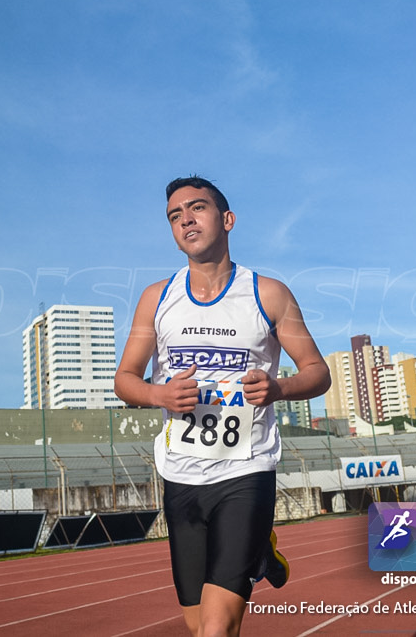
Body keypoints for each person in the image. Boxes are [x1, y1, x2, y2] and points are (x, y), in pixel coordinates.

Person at [115, 176, 331, 637]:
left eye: (197, 208)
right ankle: (259, 552)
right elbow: (125, 379)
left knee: (217, 630)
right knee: (198, 629)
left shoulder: (268, 294)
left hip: (245, 471)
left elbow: (317, 370)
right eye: (175, 215)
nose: (186, 219)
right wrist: (159, 394)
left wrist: (279, 388)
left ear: (227, 219)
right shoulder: (157, 299)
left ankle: (251, 543)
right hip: (181, 477)